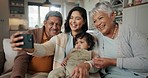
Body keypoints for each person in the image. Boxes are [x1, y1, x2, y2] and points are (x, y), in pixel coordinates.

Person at [10, 7, 100, 78]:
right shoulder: (59, 38)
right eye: (71, 18)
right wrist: (30, 47)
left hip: (85, 75)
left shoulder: (92, 39)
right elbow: (45, 48)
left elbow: (97, 61)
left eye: (77, 18)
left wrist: (86, 65)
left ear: (84, 21)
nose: (73, 21)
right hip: (62, 74)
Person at [90, 1, 148, 78]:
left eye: (100, 18)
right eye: (95, 21)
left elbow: (145, 61)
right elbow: (94, 58)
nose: (97, 23)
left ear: (112, 16)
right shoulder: (97, 37)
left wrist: (113, 62)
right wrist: (86, 65)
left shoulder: (130, 31)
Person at [10, 11, 63, 78]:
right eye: (51, 23)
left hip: (43, 74)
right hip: (25, 72)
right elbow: (21, 58)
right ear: (45, 23)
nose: (54, 27)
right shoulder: (31, 34)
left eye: (58, 24)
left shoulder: (62, 38)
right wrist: (17, 76)